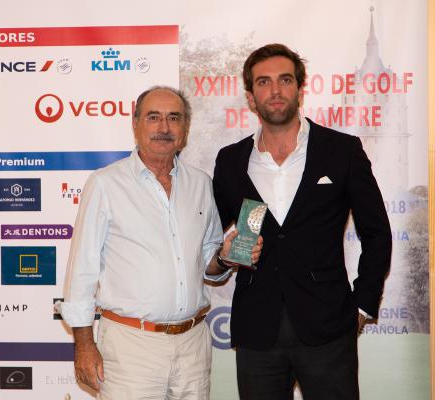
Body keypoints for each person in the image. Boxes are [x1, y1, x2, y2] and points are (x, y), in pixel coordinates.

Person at [212, 44, 392, 400]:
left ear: (299, 88)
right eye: (263, 82)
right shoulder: (230, 160)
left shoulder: (341, 150)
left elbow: (376, 233)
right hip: (256, 331)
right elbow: (210, 236)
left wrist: (361, 306)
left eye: (285, 80)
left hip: (329, 328)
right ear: (250, 97)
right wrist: (223, 257)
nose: (275, 90)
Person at [60, 86, 262, 400]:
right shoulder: (105, 184)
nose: (164, 127)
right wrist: (84, 346)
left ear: (185, 129)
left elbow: (207, 261)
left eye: (174, 118)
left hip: (193, 345)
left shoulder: (200, 184)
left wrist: (225, 258)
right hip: (131, 346)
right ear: (136, 124)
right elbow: (81, 271)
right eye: (153, 117)